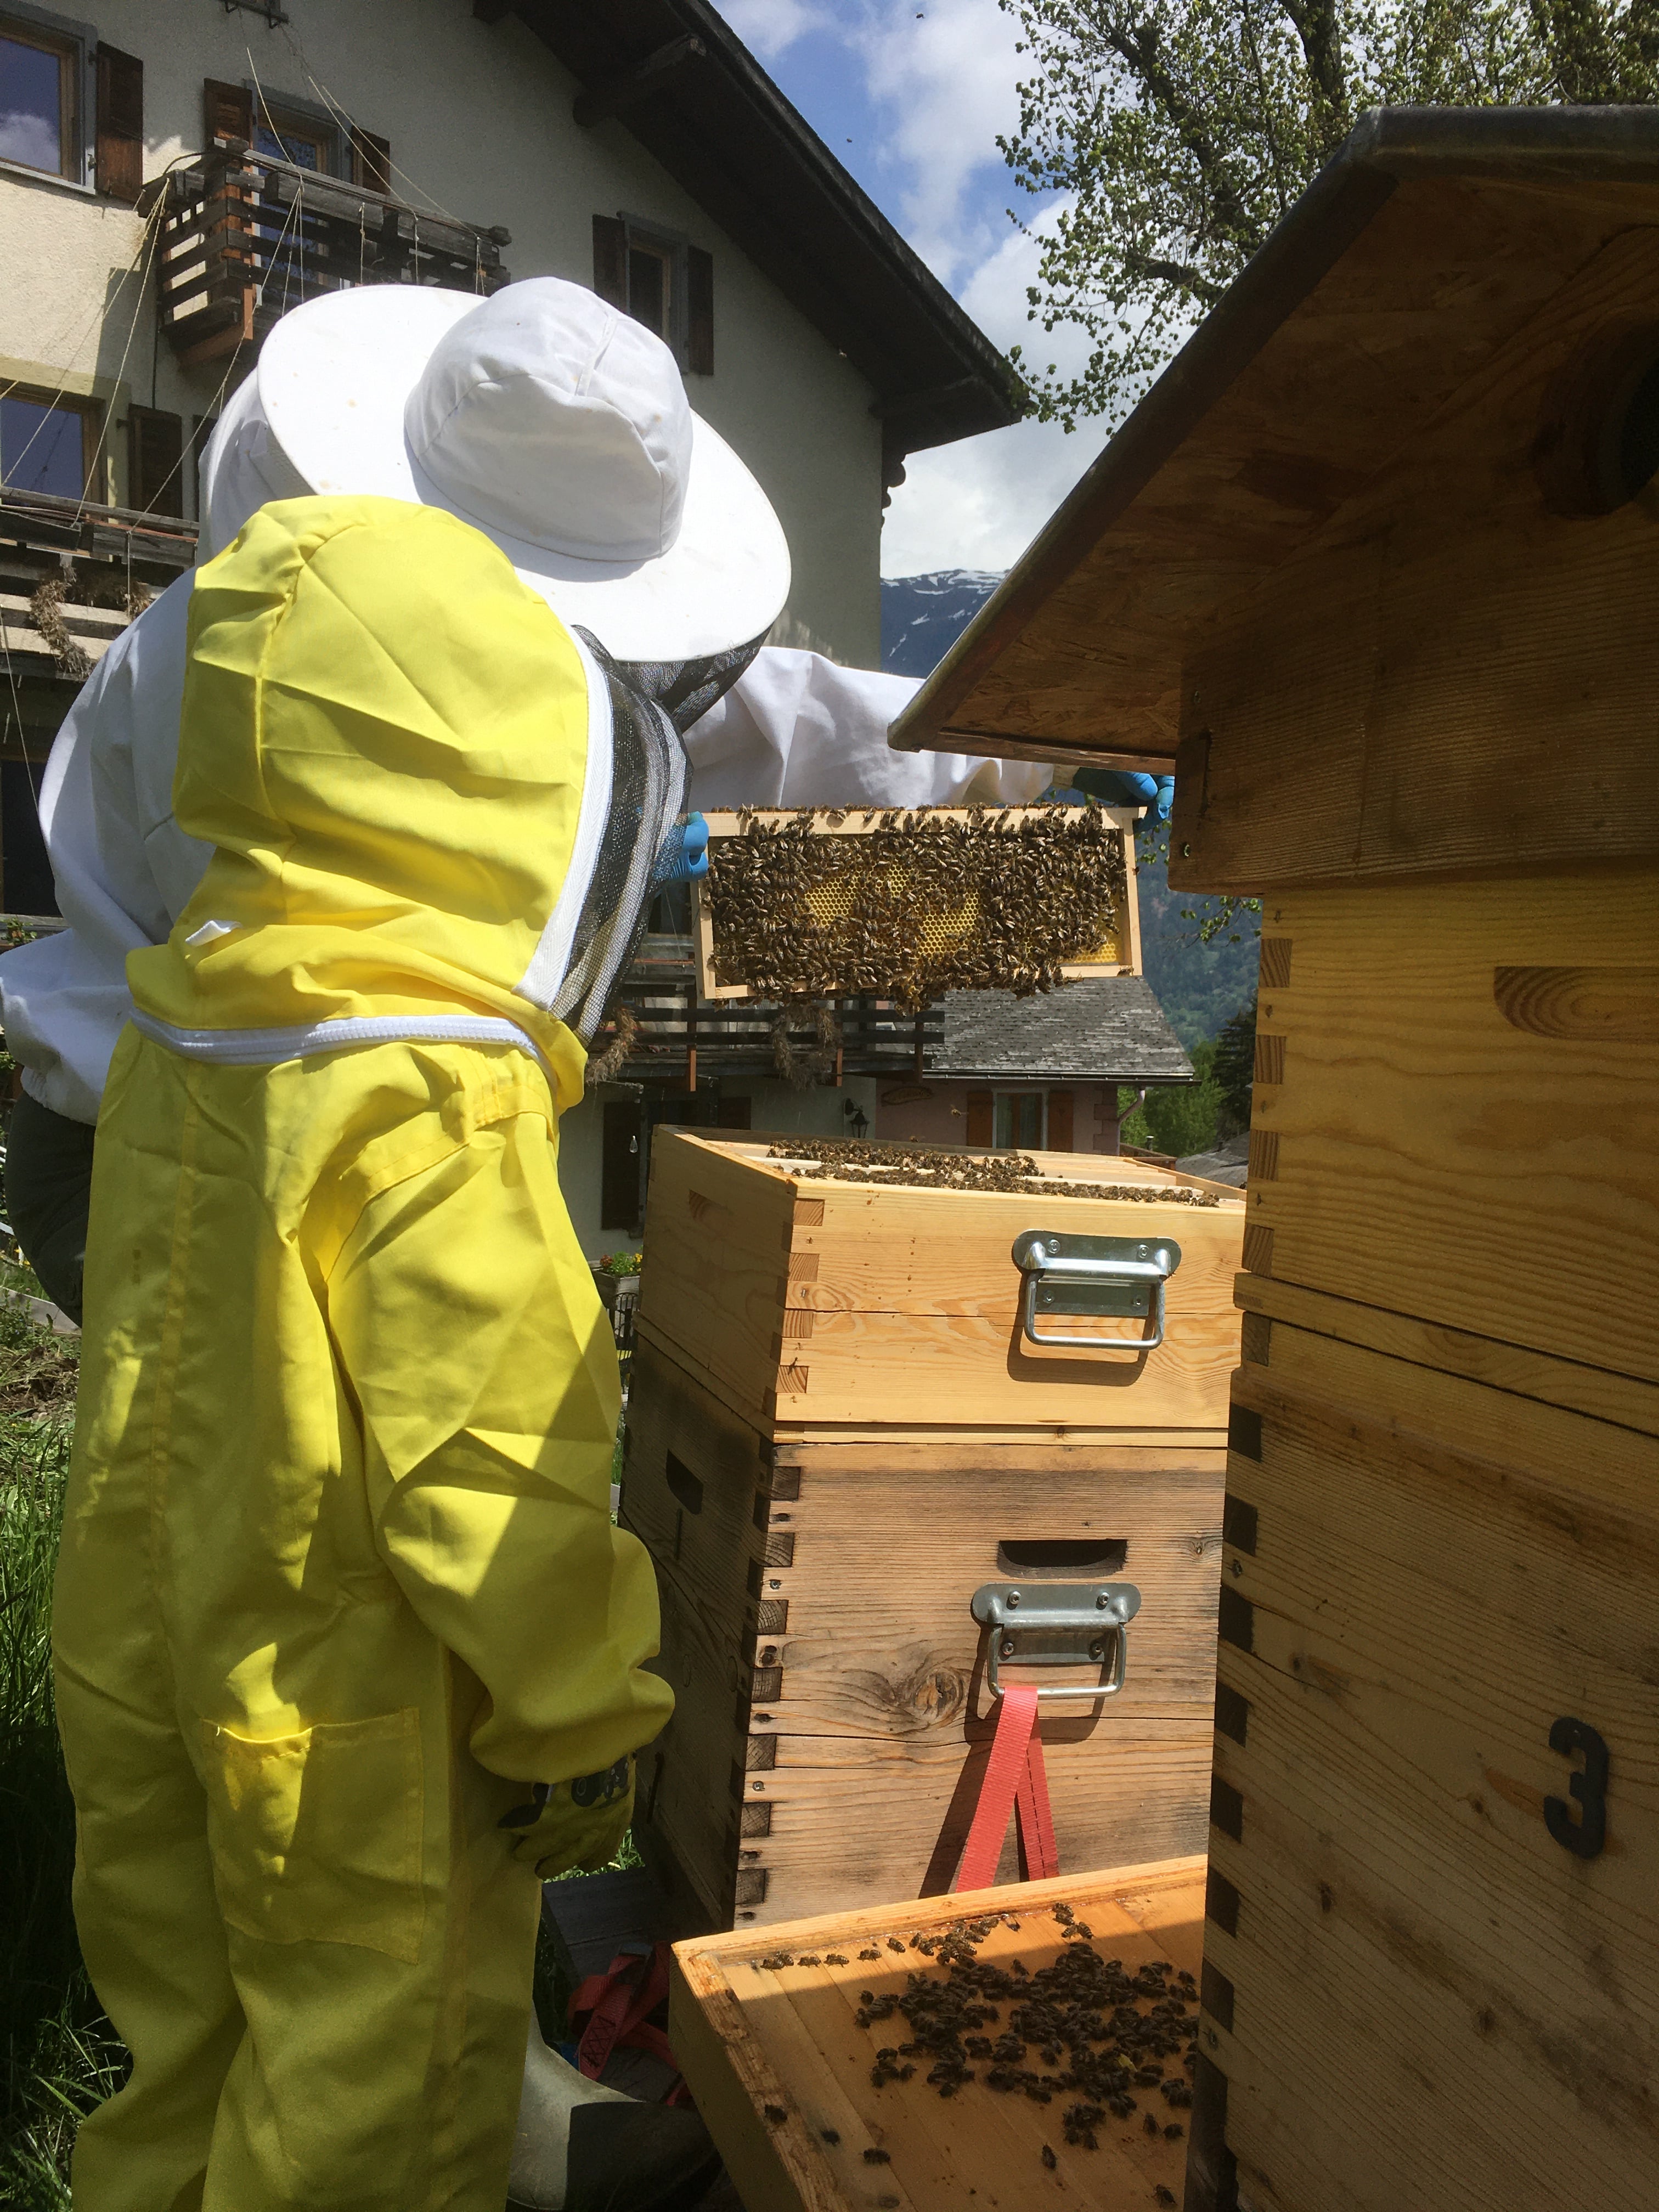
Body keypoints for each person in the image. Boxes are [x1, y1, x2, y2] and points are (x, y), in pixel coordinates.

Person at [0, 278, 1054, 2212]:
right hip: (335, 1588)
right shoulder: (191, 694)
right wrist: (583, 1712)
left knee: (200, 1976)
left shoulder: (298, 670)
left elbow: (789, 723)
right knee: (365, 2071)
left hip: (181, 1300)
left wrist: (1018, 766)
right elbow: (485, 1445)